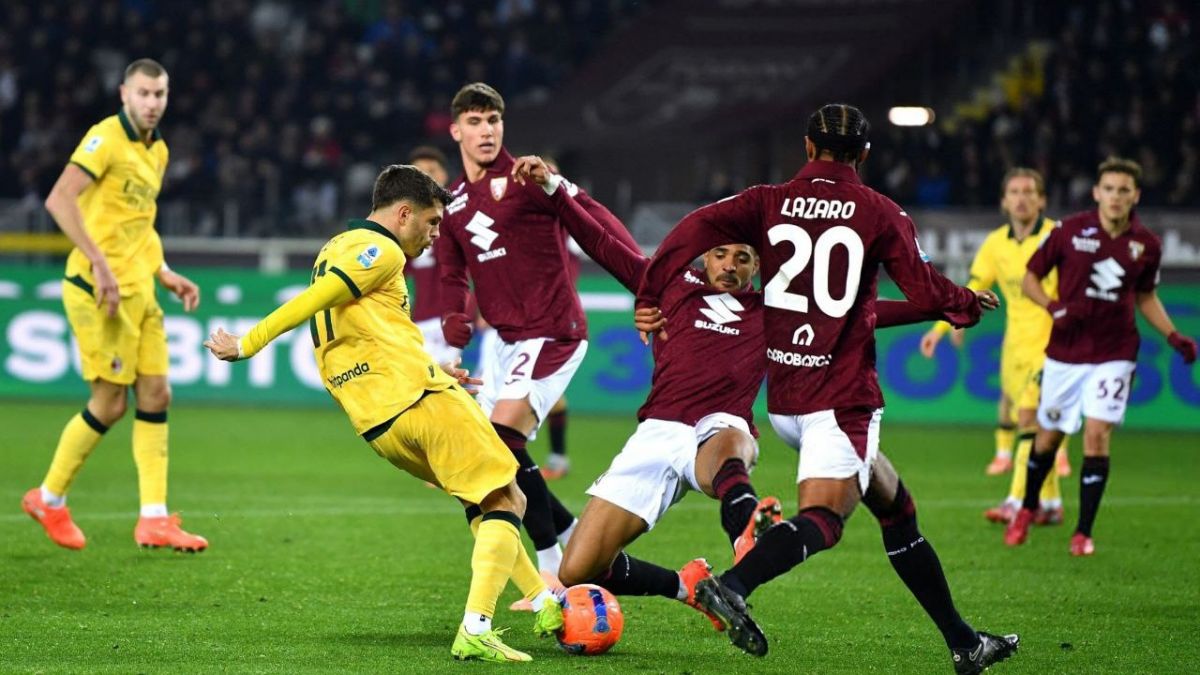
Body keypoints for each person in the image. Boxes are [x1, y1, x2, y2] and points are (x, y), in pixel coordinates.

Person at [511, 154, 963, 656]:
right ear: (704, 257)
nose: (729, 265)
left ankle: (748, 526)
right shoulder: (668, 288)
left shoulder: (776, 310)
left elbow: (868, 311)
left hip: (721, 429)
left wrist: (946, 304)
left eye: (743, 257)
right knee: (579, 569)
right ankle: (687, 585)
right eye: (721, 254)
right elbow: (600, 241)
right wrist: (553, 189)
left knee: (727, 439)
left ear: (759, 266)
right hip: (657, 433)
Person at [635, 103, 1018, 673]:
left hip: (787, 398)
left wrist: (649, 291)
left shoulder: (766, 201)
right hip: (841, 398)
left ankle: (965, 643)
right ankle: (734, 586)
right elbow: (921, 284)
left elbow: (693, 227)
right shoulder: (881, 212)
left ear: (808, 148)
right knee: (826, 520)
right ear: (863, 154)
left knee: (896, 507)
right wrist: (960, 304)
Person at [203, 165, 562, 663]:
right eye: (432, 223)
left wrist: (429, 365)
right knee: (508, 497)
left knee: (483, 499)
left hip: (379, 422)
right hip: (418, 400)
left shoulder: (335, 248)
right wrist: (247, 344)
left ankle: (544, 603)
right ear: (404, 213)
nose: (435, 235)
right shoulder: (383, 251)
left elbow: (365, 330)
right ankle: (477, 628)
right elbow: (312, 301)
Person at [436, 82, 642, 587]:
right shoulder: (453, 202)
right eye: (475, 122)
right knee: (490, 453)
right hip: (503, 342)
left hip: (552, 331)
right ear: (456, 131)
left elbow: (596, 217)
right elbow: (451, 272)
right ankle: (570, 533)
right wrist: (452, 319)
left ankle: (551, 568)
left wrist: (644, 278)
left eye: (494, 120)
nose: (487, 131)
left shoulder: (529, 176)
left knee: (502, 441)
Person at [21, 59, 207, 553]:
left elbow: (139, 222)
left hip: (139, 287)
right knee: (110, 403)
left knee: (157, 395)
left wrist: (163, 270)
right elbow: (59, 200)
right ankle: (49, 498)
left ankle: (154, 519)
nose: (152, 103)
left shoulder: (158, 150)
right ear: (124, 93)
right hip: (98, 290)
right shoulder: (105, 139)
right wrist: (99, 263)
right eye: (143, 93)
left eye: (159, 94)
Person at [1004, 157, 1197, 556]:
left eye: (1123, 190)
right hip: (1066, 351)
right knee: (1048, 438)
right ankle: (1026, 508)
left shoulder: (1146, 245)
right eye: (1109, 189)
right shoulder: (1069, 231)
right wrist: (1053, 307)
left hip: (1115, 351)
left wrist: (1173, 334)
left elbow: (1145, 296)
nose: (1115, 197)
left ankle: (1082, 533)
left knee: (1096, 433)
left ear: (1135, 196)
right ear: (1096, 193)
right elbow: (1029, 278)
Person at [919, 168, 1068, 524]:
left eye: (1029, 192)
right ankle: (1050, 504)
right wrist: (942, 327)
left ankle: (1016, 502)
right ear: (1003, 201)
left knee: (1029, 420)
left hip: (1054, 345)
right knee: (1033, 427)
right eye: (1014, 192)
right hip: (1015, 348)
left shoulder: (1059, 238)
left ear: (1042, 200)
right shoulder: (996, 244)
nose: (1021, 198)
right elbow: (973, 287)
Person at [402, 145, 462, 366]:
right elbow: (397, 272)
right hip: (417, 322)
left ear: (444, 175)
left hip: (453, 318)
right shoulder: (404, 223)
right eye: (418, 173)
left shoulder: (461, 215)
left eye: (432, 171)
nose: (425, 177)